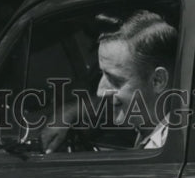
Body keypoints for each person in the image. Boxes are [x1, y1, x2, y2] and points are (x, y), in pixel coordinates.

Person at [41, 9, 178, 153]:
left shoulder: (167, 152)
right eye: (102, 74)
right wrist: (69, 112)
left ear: (158, 80)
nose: (100, 91)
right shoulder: (149, 122)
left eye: (115, 80)